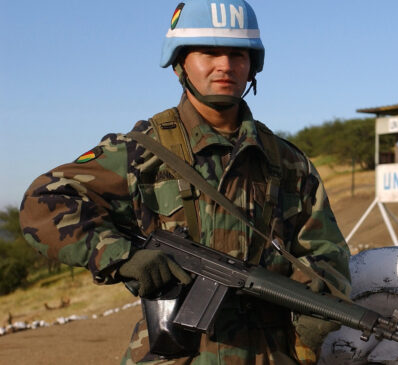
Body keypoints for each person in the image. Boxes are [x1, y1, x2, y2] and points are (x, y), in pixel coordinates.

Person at [19, 1, 351, 363]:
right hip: (175, 352)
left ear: (253, 65)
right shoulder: (141, 151)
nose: (225, 65)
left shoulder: (287, 163)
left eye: (238, 54)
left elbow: (327, 252)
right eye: (209, 52)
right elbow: (43, 202)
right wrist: (122, 255)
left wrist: (319, 302)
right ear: (180, 62)